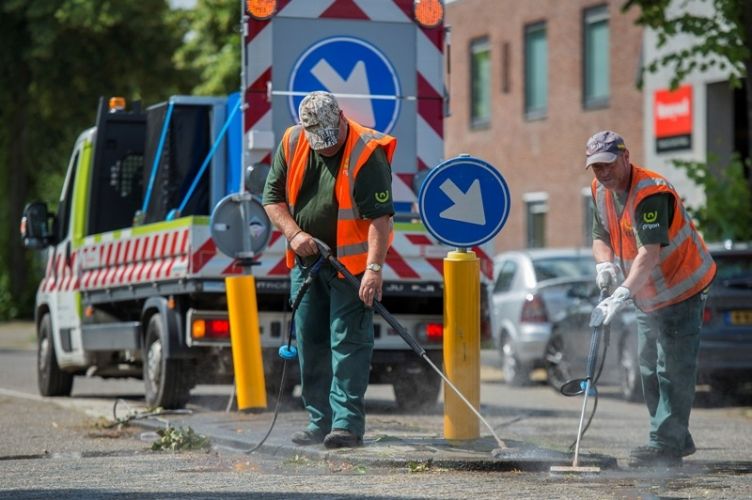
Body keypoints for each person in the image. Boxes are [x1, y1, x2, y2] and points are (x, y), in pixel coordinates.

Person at [262, 91, 396, 449]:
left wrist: (373, 269)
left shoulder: (366, 152)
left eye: (330, 140)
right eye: (318, 142)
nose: (326, 147)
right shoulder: (293, 141)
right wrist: (294, 234)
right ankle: (318, 422)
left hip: (351, 268)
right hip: (308, 265)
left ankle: (346, 425)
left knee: (348, 343)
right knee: (310, 342)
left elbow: (379, 219)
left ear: (340, 118)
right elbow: (272, 199)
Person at [585, 130, 716, 468]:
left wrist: (622, 293)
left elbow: (649, 253)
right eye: (597, 167)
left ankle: (665, 445)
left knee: (671, 367)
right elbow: (600, 236)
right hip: (648, 294)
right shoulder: (600, 190)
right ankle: (675, 437)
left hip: (681, 287)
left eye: (608, 164)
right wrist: (604, 265)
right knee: (647, 366)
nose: (603, 172)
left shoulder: (650, 193)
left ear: (625, 157)